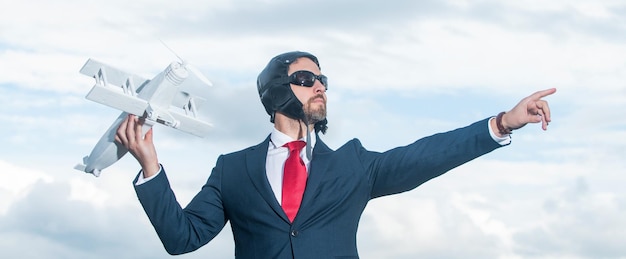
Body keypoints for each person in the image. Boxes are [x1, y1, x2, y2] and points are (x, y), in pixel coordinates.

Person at [115, 51, 556, 258]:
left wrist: (500, 124)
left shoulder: (353, 165)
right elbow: (182, 238)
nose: (320, 86)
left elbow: (425, 155)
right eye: (307, 78)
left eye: (323, 79)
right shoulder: (232, 169)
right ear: (275, 92)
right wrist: (150, 167)